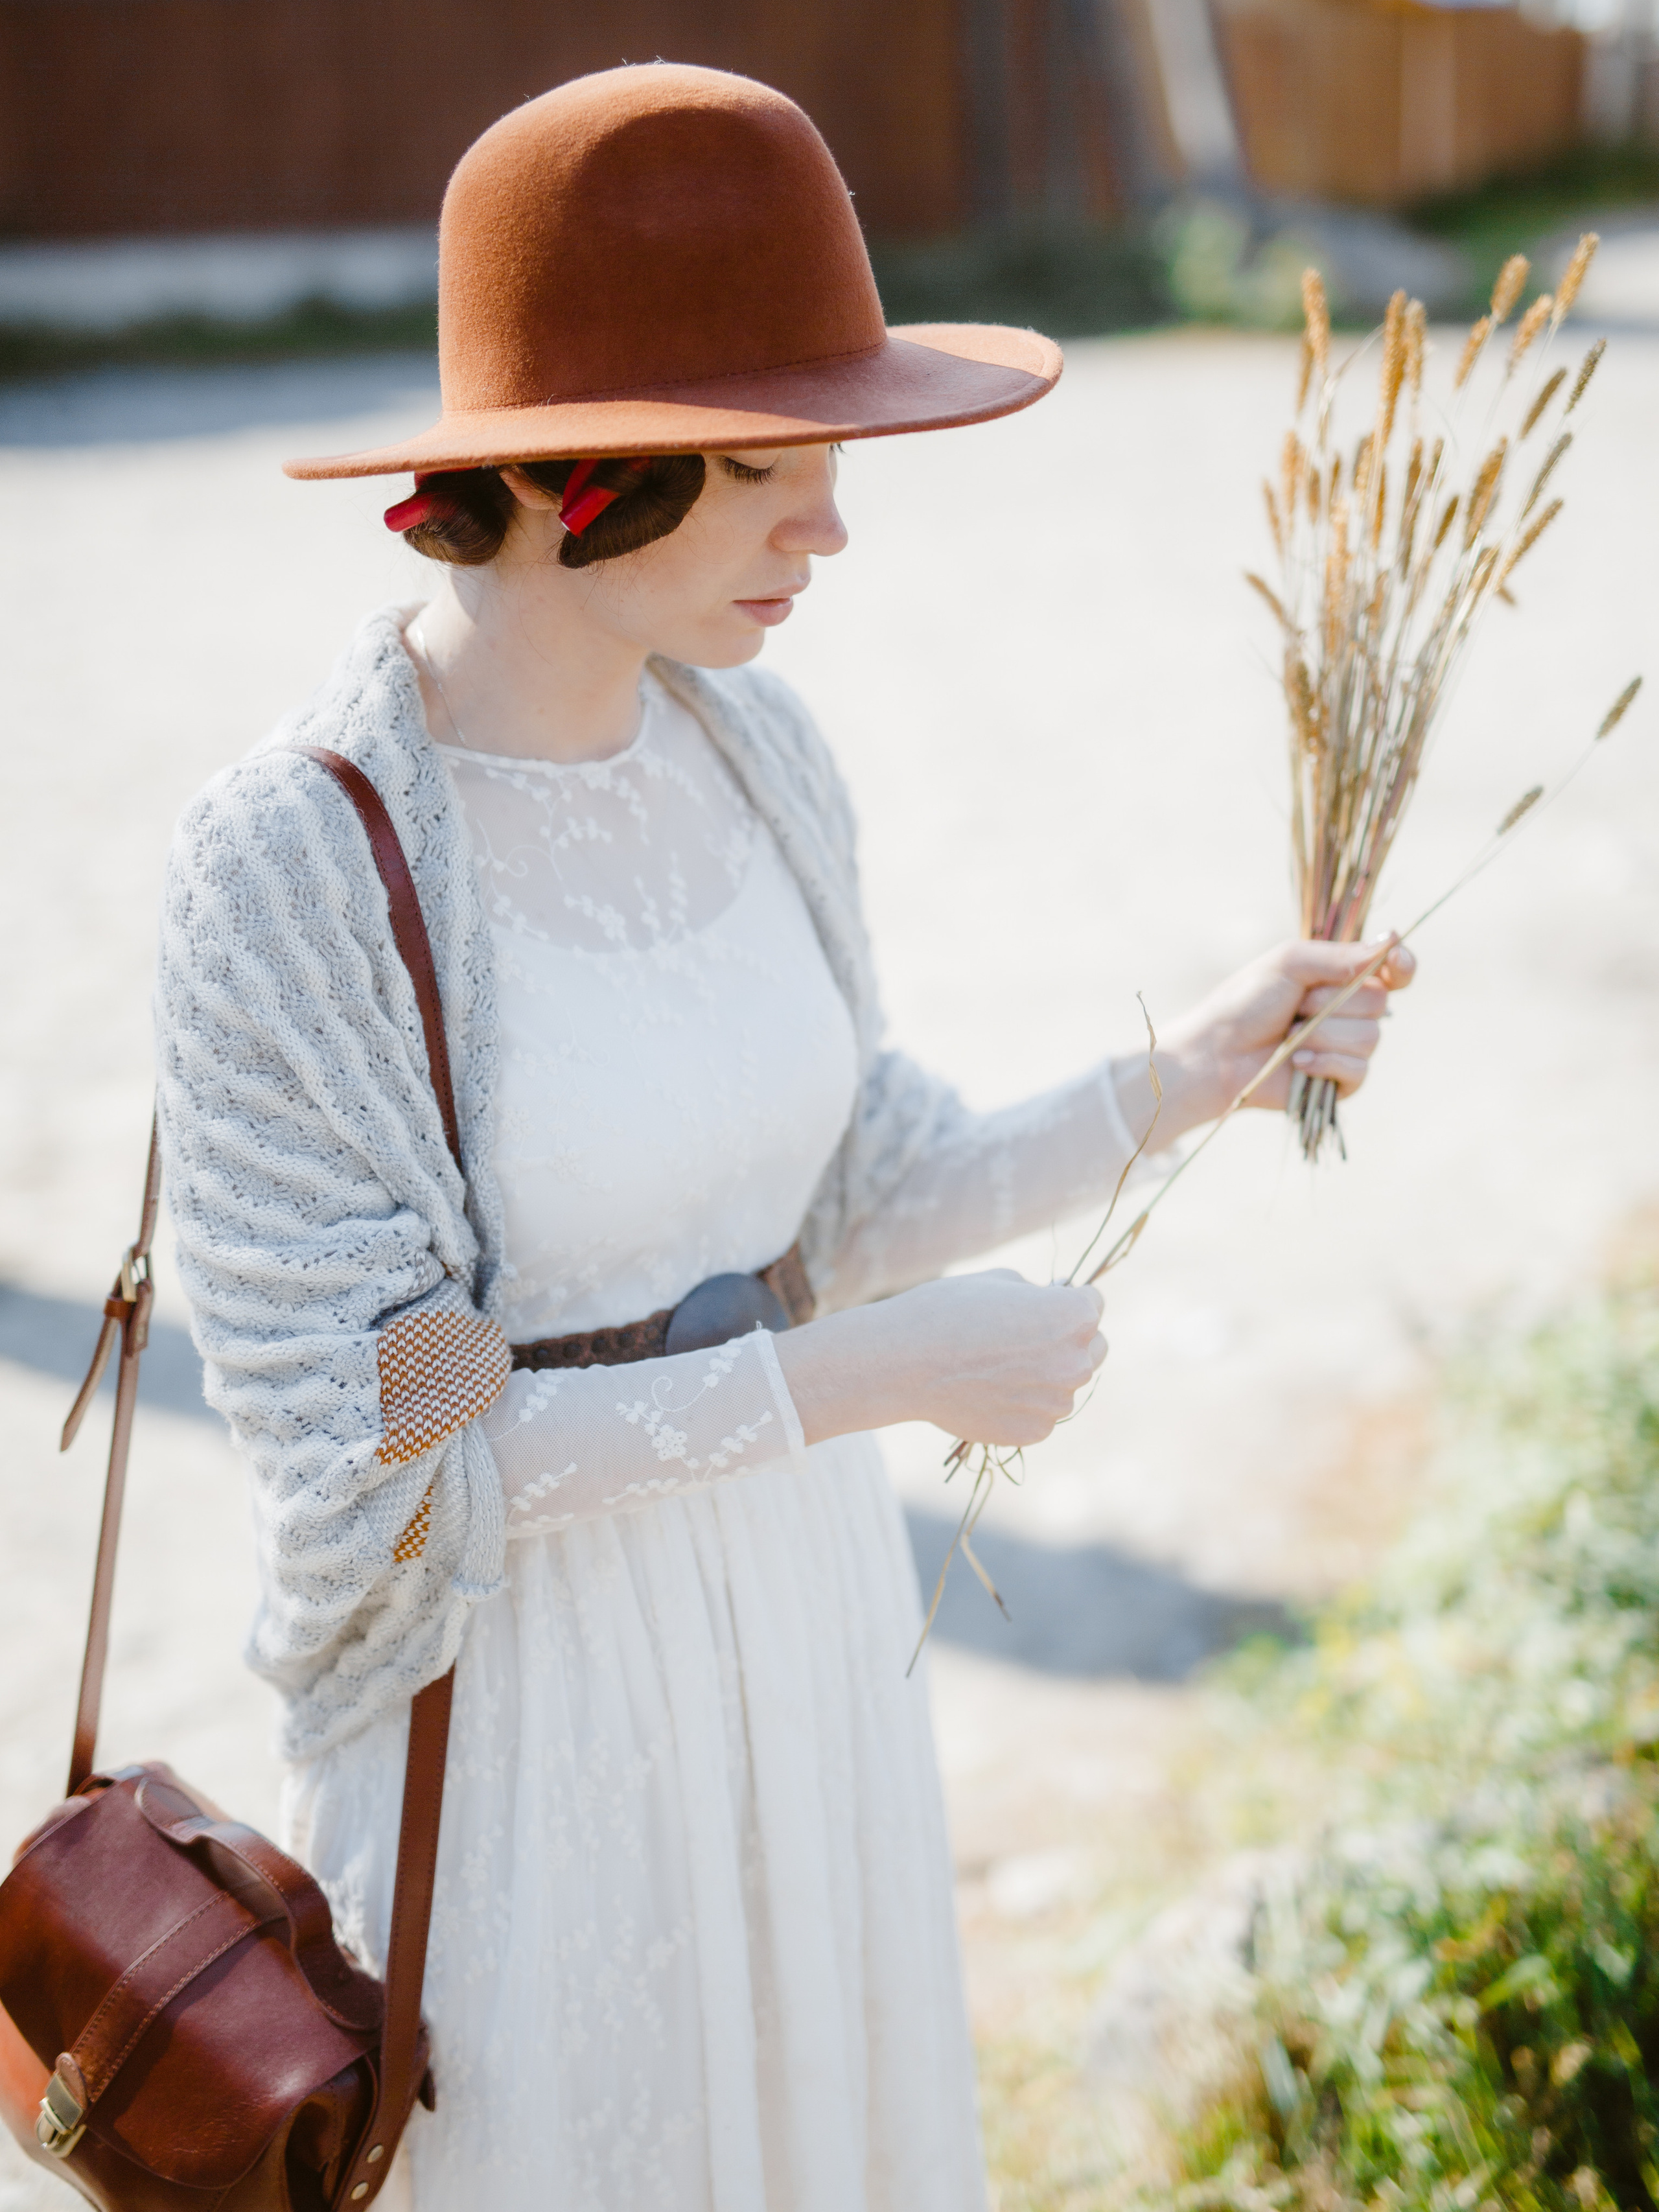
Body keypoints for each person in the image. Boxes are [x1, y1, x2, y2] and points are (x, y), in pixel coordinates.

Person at [155, 62, 1414, 2212]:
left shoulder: (751, 752)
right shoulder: (310, 863)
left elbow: (854, 1190)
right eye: (769, 472)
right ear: (575, 480)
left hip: (803, 1630)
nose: (831, 530)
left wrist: (1188, 1068)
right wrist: (880, 1382)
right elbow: (392, 1433)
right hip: (530, 1719)